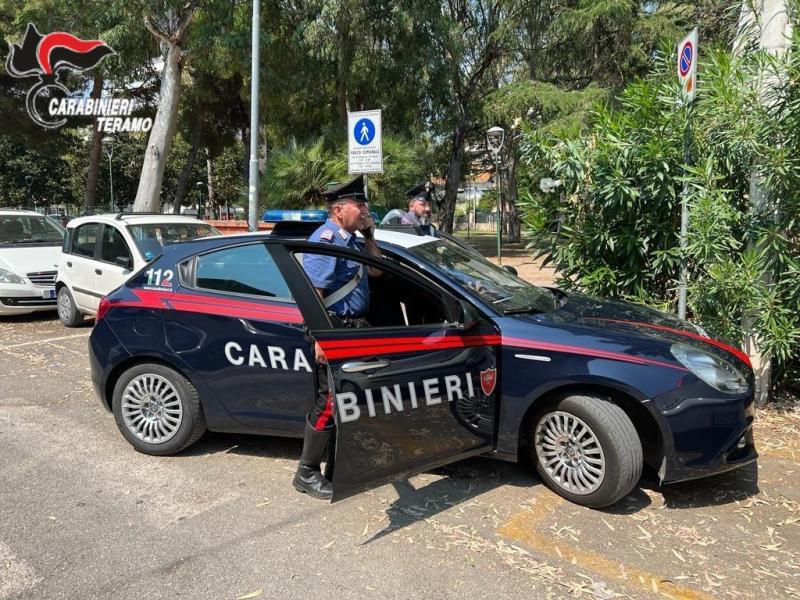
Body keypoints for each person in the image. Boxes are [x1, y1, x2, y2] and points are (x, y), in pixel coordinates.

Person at [292, 174, 382, 500]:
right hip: (335, 330)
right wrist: (321, 339)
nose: (365, 210)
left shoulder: (351, 240)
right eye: (360, 205)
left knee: (348, 399)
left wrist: (370, 235)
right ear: (339, 209)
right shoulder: (326, 240)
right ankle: (306, 472)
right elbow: (313, 294)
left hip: (354, 329)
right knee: (329, 401)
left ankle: (340, 460)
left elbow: (376, 270)